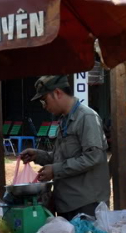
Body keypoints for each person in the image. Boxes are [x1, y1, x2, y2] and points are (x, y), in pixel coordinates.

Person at [20, 75, 110, 220]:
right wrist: (39, 155)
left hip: (86, 205)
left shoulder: (86, 117)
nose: (44, 106)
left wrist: (55, 170)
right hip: (66, 203)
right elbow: (61, 157)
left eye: (45, 100)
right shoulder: (64, 120)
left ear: (57, 93)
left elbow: (93, 157)